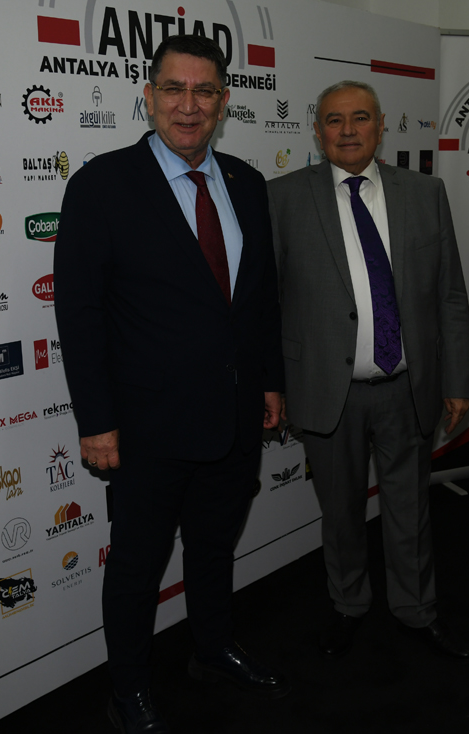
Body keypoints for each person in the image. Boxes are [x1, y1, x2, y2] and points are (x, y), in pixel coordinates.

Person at [54, 34, 288, 734]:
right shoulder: (101, 184)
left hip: (234, 417)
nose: (189, 105)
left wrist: (270, 382)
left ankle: (211, 649)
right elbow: (79, 313)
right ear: (149, 95)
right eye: (174, 89)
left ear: (223, 100)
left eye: (204, 91)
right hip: (146, 428)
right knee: (137, 568)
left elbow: (259, 299)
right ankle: (128, 690)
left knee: (214, 549)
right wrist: (96, 420)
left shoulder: (246, 182)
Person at [267, 80, 469, 662]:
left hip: (409, 388)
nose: (348, 130)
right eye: (334, 120)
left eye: (360, 118)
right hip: (327, 392)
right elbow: (268, 302)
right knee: (341, 515)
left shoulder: (426, 192)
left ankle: (417, 609)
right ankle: (348, 605)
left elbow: (450, 294)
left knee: (411, 511)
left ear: (382, 127)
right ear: (318, 132)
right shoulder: (282, 197)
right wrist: (273, 384)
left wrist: (459, 379)